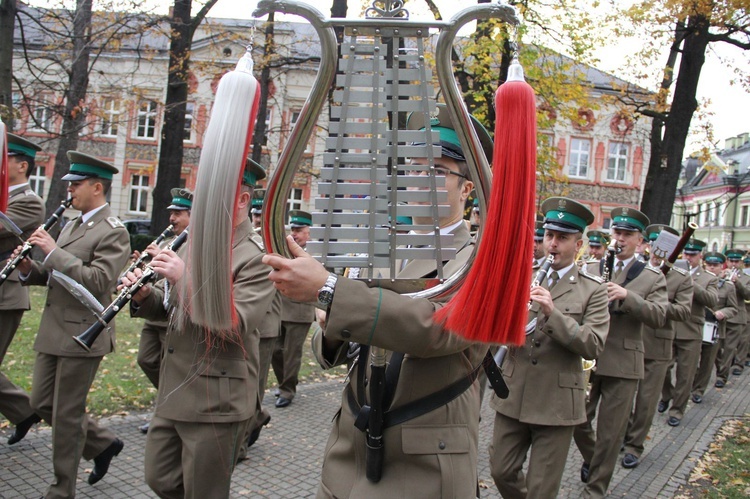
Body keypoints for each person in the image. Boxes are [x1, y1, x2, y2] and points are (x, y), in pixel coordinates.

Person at [263, 103, 498, 498]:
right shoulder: (382, 251)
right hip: (351, 444)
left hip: (422, 459)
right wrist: (331, 315)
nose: (420, 179)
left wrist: (330, 292)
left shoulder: (481, 257)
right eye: (414, 167)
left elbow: (439, 328)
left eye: (437, 170)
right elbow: (329, 352)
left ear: (467, 187)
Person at [124, 159, 276, 497]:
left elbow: (235, 325)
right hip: (175, 385)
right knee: (160, 478)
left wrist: (181, 280)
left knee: (205, 492)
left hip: (216, 397)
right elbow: (173, 308)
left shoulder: (256, 256)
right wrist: (144, 296)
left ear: (242, 200)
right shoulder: (195, 241)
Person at [14, 151, 130, 497]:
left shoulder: (114, 232)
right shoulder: (72, 225)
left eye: (76, 185)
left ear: (97, 187)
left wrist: (52, 251)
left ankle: (61, 489)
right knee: (40, 403)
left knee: (66, 415)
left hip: (83, 332)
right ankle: (103, 443)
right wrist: (27, 269)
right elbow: (56, 277)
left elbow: (98, 280)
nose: (70, 191)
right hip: (53, 329)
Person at [488, 197, 609, 499]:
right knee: (500, 470)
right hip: (514, 392)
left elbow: (593, 344)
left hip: (557, 403)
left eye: (562, 238)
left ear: (579, 244)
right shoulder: (522, 275)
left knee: (542, 490)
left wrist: (552, 314)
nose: (552, 244)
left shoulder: (592, 289)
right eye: (549, 236)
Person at [574, 206, 668, 499]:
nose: (621, 239)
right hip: (589, 359)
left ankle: (596, 487)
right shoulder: (590, 267)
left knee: (611, 432)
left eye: (628, 235)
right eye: (617, 232)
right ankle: (595, 459)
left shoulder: (651, 276)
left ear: (640, 241)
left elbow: (660, 316)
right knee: (577, 420)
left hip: (624, 361)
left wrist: (629, 296)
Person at [622, 224, 692, 469]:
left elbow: (683, 311)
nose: (658, 253)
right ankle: (625, 434)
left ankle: (634, 446)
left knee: (646, 401)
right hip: (630, 342)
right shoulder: (634, 268)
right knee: (623, 399)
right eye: (655, 246)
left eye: (666, 249)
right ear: (649, 245)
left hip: (657, 346)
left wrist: (657, 303)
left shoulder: (681, 278)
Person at [135, 187, 192, 434]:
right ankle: (168, 407)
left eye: (179, 213)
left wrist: (161, 259)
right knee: (146, 359)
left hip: (176, 316)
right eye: (172, 212)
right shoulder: (169, 241)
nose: (172, 218)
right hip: (156, 310)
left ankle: (166, 412)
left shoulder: (194, 243)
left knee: (172, 369)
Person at [0, 133, 45, 445]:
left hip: (7, 294)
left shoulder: (28, 201)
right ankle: (25, 411)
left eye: (6, 159)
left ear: (22, 165)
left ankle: (26, 411)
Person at [659, 239, 718, 426]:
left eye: (693, 255)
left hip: (691, 331)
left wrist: (690, 282)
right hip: (669, 328)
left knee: (685, 374)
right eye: (687, 254)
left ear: (700, 256)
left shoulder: (709, 278)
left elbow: (712, 300)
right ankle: (667, 394)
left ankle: (677, 410)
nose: (689, 257)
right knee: (662, 370)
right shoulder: (674, 272)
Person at [271, 210, 316, 408]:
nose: (294, 233)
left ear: (309, 232)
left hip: (300, 311)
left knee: (291, 353)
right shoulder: (285, 250)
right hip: (280, 308)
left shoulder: (315, 254)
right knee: (274, 350)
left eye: (299, 230)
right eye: (293, 229)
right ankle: (286, 382)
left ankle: (287, 391)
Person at [691, 251, 737, 402]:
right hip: (694, 325)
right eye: (709, 265)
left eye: (715, 265)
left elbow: (733, 308)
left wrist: (723, 313)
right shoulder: (697, 280)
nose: (712, 268)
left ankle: (698, 390)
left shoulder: (728, 287)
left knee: (707, 361)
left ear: (721, 266)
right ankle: (688, 385)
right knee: (691, 359)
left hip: (714, 328)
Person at [717, 248, 750, 378]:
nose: (734, 264)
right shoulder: (721, 274)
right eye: (731, 261)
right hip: (721, 315)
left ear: (741, 262)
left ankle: (726, 373)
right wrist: (720, 279)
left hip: (737, 317)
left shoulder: (746, 278)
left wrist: (737, 282)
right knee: (717, 349)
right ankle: (721, 367)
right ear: (727, 261)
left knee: (733, 347)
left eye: (737, 261)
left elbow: (748, 294)